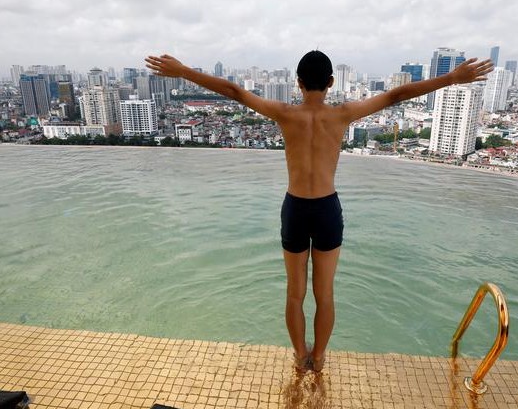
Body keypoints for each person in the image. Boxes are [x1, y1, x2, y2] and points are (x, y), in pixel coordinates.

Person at [145, 51, 493, 372]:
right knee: (324, 293)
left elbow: (234, 91)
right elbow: (395, 96)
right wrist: (452, 78)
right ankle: (320, 357)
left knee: (294, 293)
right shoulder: (342, 114)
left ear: (298, 81)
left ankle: (300, 356)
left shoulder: (285, 114)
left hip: (295, 209)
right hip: (327, 208)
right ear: (330, 83)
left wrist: (182, 71)